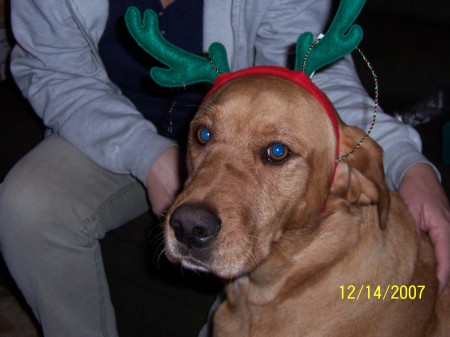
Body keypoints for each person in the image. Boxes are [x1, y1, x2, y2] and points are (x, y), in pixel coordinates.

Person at [0, 0, 449, 336]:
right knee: (25, 203)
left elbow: (317, 74)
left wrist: (410, 165)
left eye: (276, 153)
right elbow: (52, 72)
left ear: (348, 180)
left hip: (233, 124)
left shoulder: (384, 292)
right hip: (103, 125)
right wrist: (154, 154)